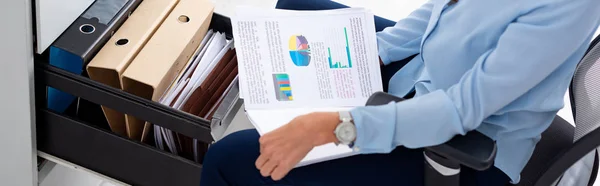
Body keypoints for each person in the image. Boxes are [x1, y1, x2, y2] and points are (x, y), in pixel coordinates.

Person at [200, 0, 600, 185]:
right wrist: (370, 49)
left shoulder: (570, 5)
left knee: (225, 159)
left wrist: (330, 127)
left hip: (465, 150)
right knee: (295, 7)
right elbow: (445, 10)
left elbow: (459, 111)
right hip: (424, 78)